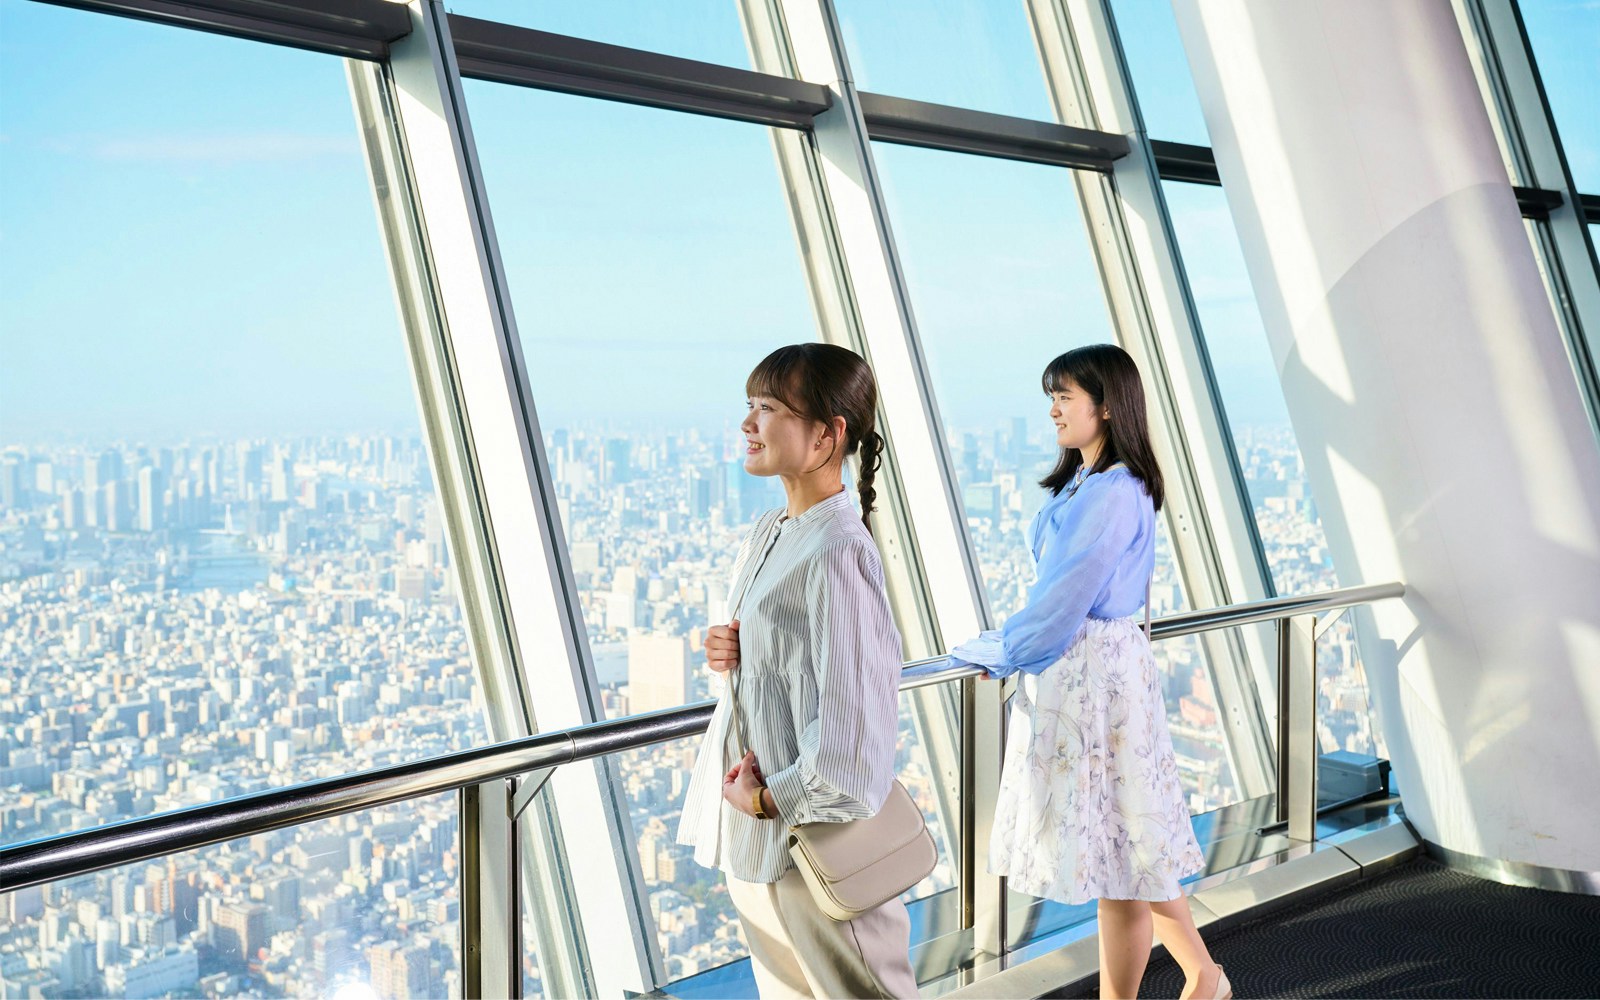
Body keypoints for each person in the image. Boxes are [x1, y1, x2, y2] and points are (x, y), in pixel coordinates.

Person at [949, 344, 1229, 1000]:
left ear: (1105, 406)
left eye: (1064, 396)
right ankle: (1198, 977)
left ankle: (1199, 977)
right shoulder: (1097, 483)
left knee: (1126, 850)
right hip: (1101, 679)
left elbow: (1064, 597)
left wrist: (1006, 651)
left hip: (1096, 684)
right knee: (1125, 851)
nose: (1052, 410)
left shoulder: (1111, 493)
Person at [677, 343, 919, 999]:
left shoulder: (838, 550)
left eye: (770, 409)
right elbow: (792, 666)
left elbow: (853, 733)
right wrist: (735, 650)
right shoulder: (774, 529)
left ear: (825, 434)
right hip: (761, 843)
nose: (748, 424)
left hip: (810, 842)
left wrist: (761, 799)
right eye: (749, 407)